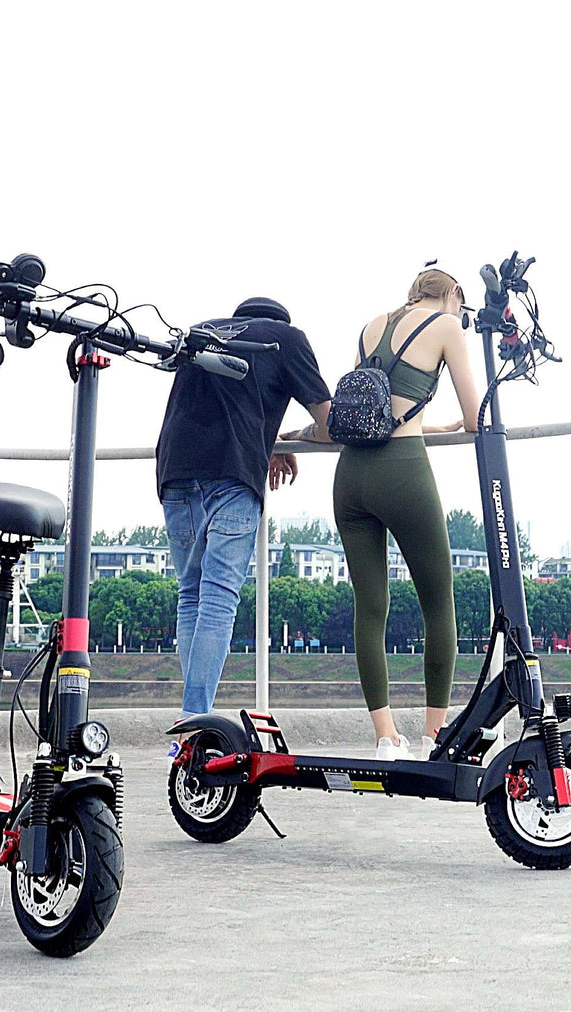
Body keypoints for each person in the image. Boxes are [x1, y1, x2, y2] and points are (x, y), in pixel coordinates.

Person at [285, 266, 481, 760]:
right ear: (454, 293)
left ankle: (386, 738)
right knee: (438, 603)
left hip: (351, 477)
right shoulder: (447, 326)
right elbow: (475, 418)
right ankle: (434, 736)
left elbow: (366, 415)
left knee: (370, 607)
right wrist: (452, 425)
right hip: (403, 473)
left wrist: (430, 426)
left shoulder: (371, 326)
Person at [157, 296, 330, 733]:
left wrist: (268, 442)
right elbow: (330, 425)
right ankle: (194, 717)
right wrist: (288, 437)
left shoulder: (203, 331)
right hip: (232, 474)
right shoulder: (287, 339)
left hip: (175, 469)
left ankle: (193, 714)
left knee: (190, 594)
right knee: (218, 596)